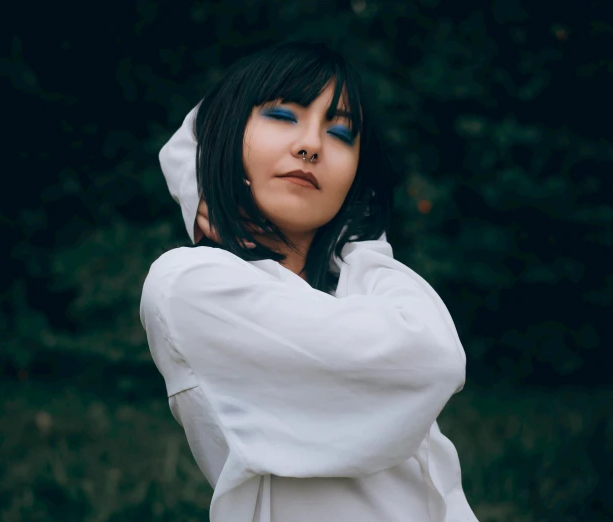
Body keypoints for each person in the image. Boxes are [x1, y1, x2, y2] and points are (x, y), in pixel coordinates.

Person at [140, 42, 478, 522]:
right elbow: (436, 359)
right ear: (226, 134)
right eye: (282, 114)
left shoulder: (358, 287)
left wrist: (355, 240)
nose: (311, 144)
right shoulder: (190, 285)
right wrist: (200, 185)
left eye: (340, 132)